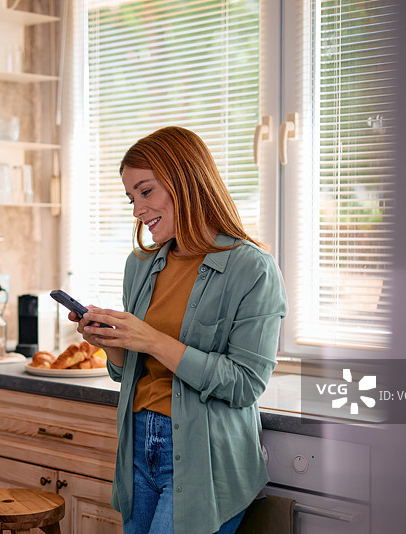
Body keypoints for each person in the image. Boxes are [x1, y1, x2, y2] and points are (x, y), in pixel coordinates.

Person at [69, 126, 287, 534]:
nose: (137, 209)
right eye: (131, 197)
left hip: (204, 457)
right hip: (137, 445)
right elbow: (126, 372)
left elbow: (244, 385)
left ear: (185, 180)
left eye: (146, 191)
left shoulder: (252, 268)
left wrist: (150, 338)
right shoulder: (141, 265)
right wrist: (110, 342)